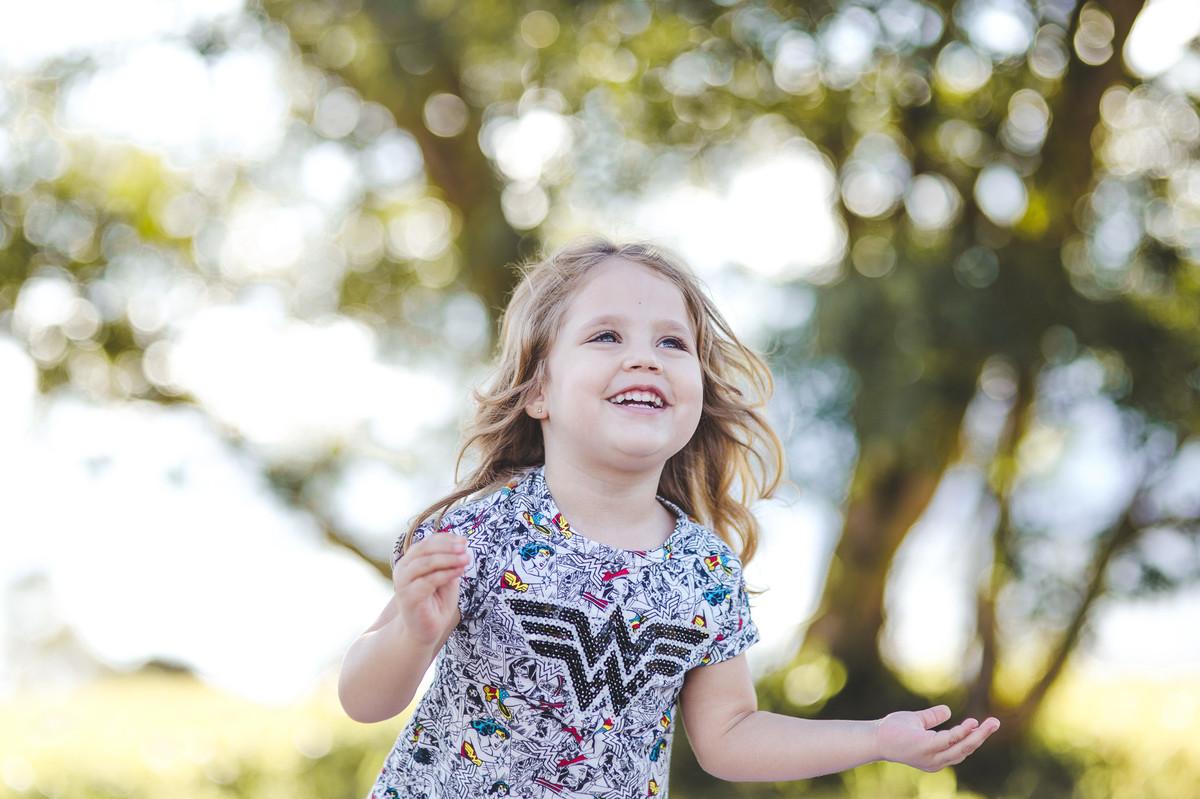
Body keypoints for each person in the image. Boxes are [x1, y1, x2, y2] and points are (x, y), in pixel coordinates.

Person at [338, 237, 1000, 798]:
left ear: (697, 391)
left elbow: (730, 736)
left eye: (671, 342)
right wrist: (413, 633)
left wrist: (877, 738)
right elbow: (363, 698)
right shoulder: (476, 536)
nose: (644, 356)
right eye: (606, 335)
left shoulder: (704, 568)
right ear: (539, 389)